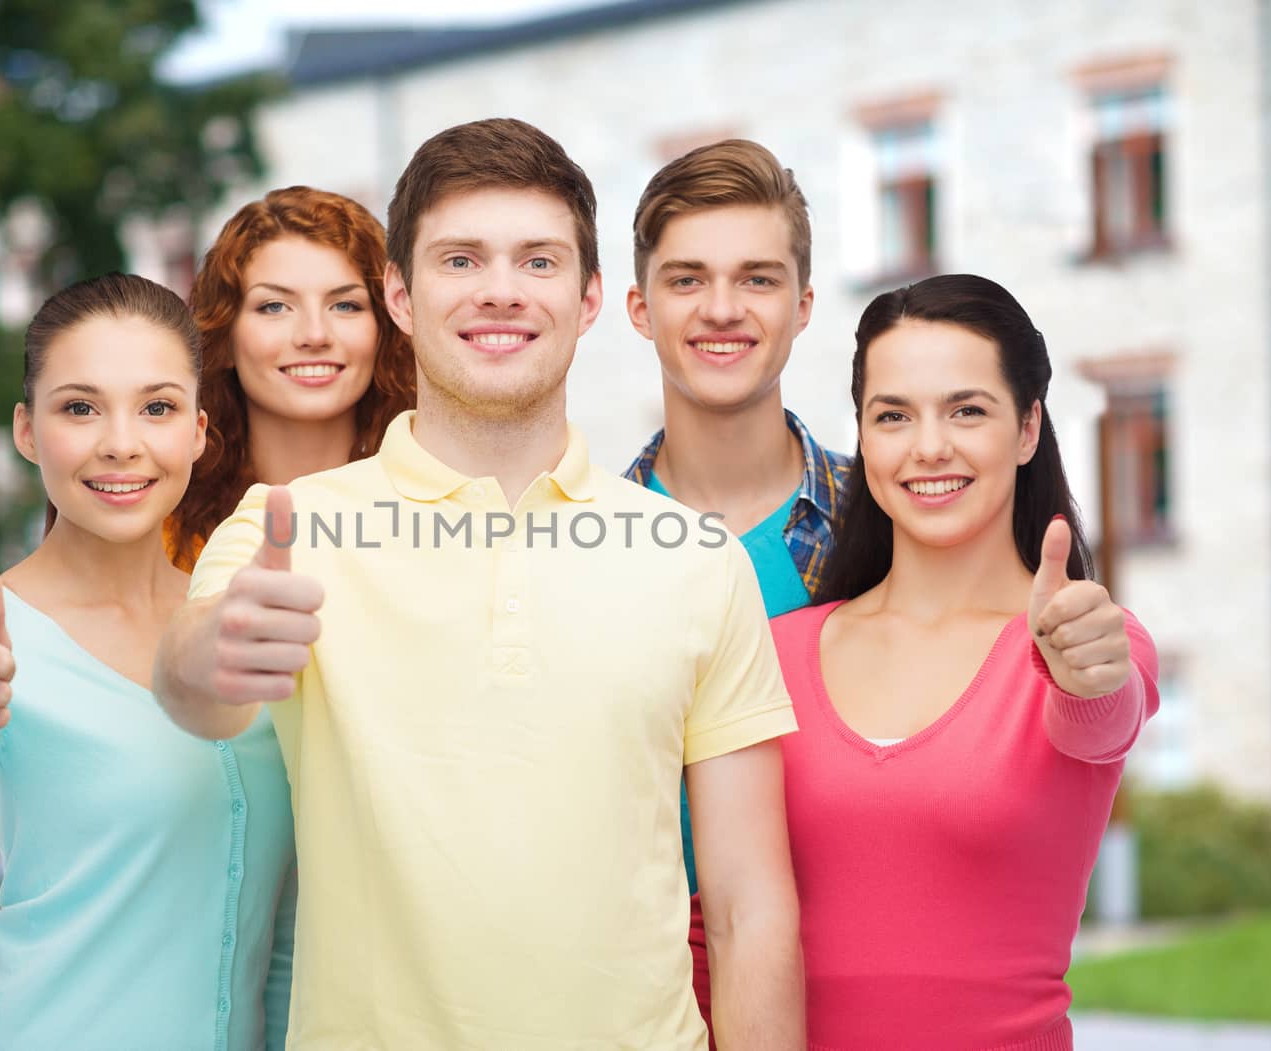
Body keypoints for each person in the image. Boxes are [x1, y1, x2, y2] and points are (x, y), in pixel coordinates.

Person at [154, 119, 805, 1050]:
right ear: (401, 296)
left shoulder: (696, 558)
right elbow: (192, 688)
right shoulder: (287, 527)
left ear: (586, 301)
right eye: (461, 260)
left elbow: (749, 907)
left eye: (537, 262)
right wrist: (211, 651)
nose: (500, 290)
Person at [0, 273, 297, 1051]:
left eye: (157, 407)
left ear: (199, 431)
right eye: (79, 407)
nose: (121, 442)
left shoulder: (238, 623)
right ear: (27, 430)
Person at [776, 274, 1160, 1050]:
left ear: (1026, 429)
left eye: (966, 410)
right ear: (863, 435)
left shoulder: (1081, 638)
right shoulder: (778, 650)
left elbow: (1102, 716)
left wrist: (1088, 675)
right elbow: (716, 917)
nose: (929, 446)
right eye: (893, 415)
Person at [623, 139, 851, 1036]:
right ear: (640, 308)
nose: (722, 308)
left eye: (757, 279)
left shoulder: (893, 524)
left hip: (868, 981)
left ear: (801, 306)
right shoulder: (578, 546)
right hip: (649, 1005)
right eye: (687, 280)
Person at [168, 185, 416, 569]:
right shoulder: (165, 533)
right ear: (225, 336)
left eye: (345, 305)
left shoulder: (440, 517)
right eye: (275, 306)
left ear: (384, 327)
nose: (314, 335)